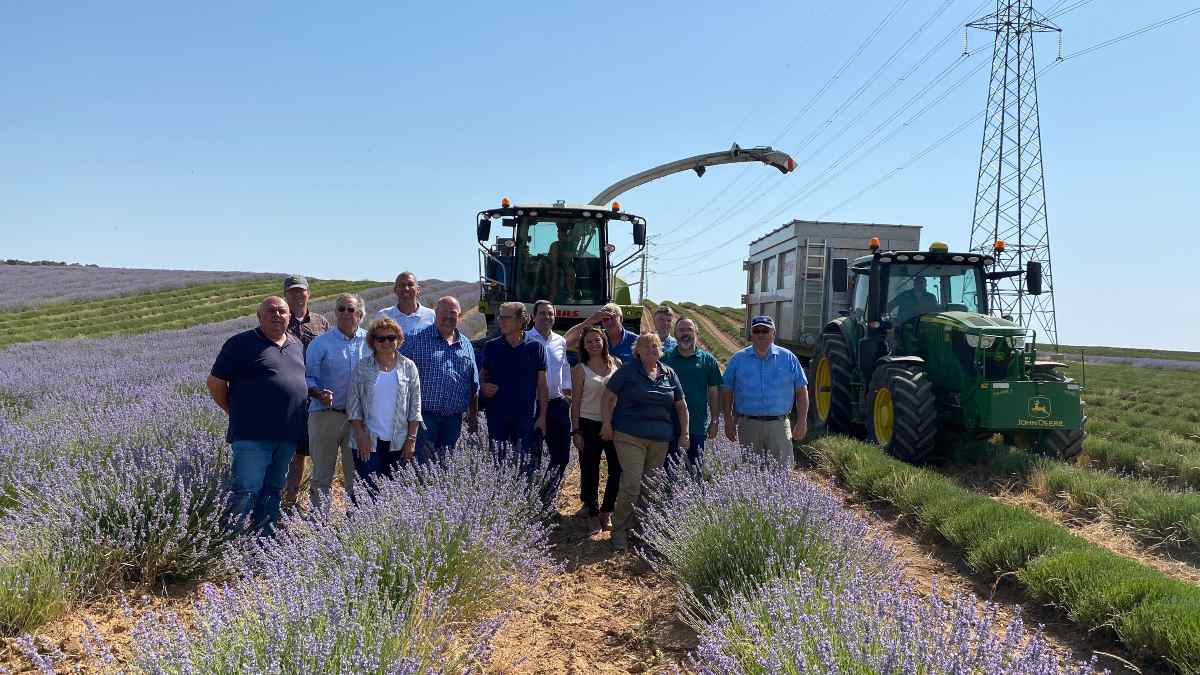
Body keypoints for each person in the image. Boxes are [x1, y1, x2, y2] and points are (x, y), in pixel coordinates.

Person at [207, 296, 308, 535]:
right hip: (252, 435)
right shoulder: (240, 344)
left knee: (273, 490)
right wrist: (232, 411)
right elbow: (215, 382)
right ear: (259, 316)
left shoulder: (296, 345)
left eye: (282, 311)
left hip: (287, 435)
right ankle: (234, 545)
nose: (277, 315)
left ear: (290, 316)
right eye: (270, 311)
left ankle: (264, 542)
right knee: (246, 490)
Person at [601, 333, 688, 551]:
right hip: (629, 435)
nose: (651, 349)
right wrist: (606, 424)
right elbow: (608, 397)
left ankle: (642, 530)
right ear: (637, 350)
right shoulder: (628, 371)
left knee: (651, 486)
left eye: (655, 346)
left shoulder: (669, 373)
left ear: (661, 350)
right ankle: (619, 530)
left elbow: (681, 406)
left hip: (660, 438)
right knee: (631, 484)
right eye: (646, 346)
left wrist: (684, 433)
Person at [304, 293, 368, 510]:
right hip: (325, 415)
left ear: (359, 314)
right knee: (322, 474)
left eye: (350, 310)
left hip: (358, 420)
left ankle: (354, 526)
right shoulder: (320, 343)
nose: (345, 314)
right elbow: (307, 377)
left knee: (356, 475)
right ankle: (318, 524)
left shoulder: (370, 342)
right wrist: (318, 393)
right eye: (341, 309)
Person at [721, 315, 809, 470]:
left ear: (773, 333)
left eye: (765, 330)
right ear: (751, 335)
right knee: (750, 474)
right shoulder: (738, 359)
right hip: (748, 425)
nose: (761, 334)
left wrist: (802, 421)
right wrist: (728, 421)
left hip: (779, 425)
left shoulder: (788, 358)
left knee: (782, 473)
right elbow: (727, 390)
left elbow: (801, 391)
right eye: (757, 331)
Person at [400, 296, 479, 464]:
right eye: (444, 312)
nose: (448, 317)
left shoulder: (466, 344)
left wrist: (473, 417)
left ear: (460, 315)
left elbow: (473, 383)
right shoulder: (415, 339)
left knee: (445, 468)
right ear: (436, 313)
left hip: (453, 420)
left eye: (453, 313)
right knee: (420, 466)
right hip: (423, 419)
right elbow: (399, 378)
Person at [347, 317, 422, 495]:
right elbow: (353, 404)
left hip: (399, 441)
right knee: (366, 492)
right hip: (368, 440)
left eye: (391, 338)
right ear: (373, 342)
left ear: (399, 340)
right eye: (380, 339)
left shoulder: (408, 367)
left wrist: (411, 440)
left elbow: (415, 406)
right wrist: (360, 436)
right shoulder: (363, 367)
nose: (386, 342)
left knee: (393, 493)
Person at [480, 301, 548, 473]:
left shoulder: (535, 347)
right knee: (498, 463)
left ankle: (523, 497)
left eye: (505, 318)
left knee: (524, 464)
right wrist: (482, 386)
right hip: (497, 417)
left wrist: (542, 417)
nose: (500, 321)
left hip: (525, 417)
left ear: (521, 321)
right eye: (499, 317)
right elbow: (481, 376)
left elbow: (542, 385)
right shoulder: (492, 346)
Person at [281, 274, 329, 509]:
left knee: (318, 451)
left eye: (301, 291)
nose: (297, 295)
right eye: (292, 291)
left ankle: (316, 503)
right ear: (285, 295)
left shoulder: (321, 322)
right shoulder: (279, 320)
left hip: (316, 397)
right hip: (288, 396)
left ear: (308, 293)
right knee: (292, 452)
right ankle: (288, 501)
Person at [570, 326, 622, 532]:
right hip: (588, 422)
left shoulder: (616, 363)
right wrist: (576, 431)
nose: (593, 344)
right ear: (583, 345)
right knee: (589, 469)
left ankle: (606, 511)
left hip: (614, 422)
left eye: (597, 340)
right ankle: (592, 512)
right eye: (588, 341)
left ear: (604, 342)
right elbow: (575, 401)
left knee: (616, 469)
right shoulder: (580, 369)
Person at [662, 317, 722, 475]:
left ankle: (697, 500)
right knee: (668, 473)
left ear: (697, 333)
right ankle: (667, 500)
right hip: (669, 426)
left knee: (695, 472)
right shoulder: (665, 359)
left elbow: (714, 392)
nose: (685, 333)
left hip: (696, 426)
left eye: (689, 329)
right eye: (681, 330)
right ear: (675, 334)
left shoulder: (708, 361)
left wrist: (715, 420)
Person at [527, 300, 572, 498]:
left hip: (557, 404)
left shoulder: (560, 341)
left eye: (550, 314)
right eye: (542, 313)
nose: (547, 317)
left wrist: (567, 392)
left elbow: (564, 367)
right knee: (532, 454)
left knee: (561, 455)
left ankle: (549, 495)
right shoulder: (525, 339)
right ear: (533, 317)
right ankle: (531, 497)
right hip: (532, 405)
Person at [565, 302, 638, 362]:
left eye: (612, 317)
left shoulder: (636, 341)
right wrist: (591, 320)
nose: (609, 322)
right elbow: (565, 342)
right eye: (605, 319)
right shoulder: (595, 337)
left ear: (621, 318)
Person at [376, 272, 436, 339]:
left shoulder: (431, 315)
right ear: (395, 290)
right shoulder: (383, 315)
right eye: (402, 285)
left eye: (410, 284)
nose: (406, 288)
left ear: (418, 290)